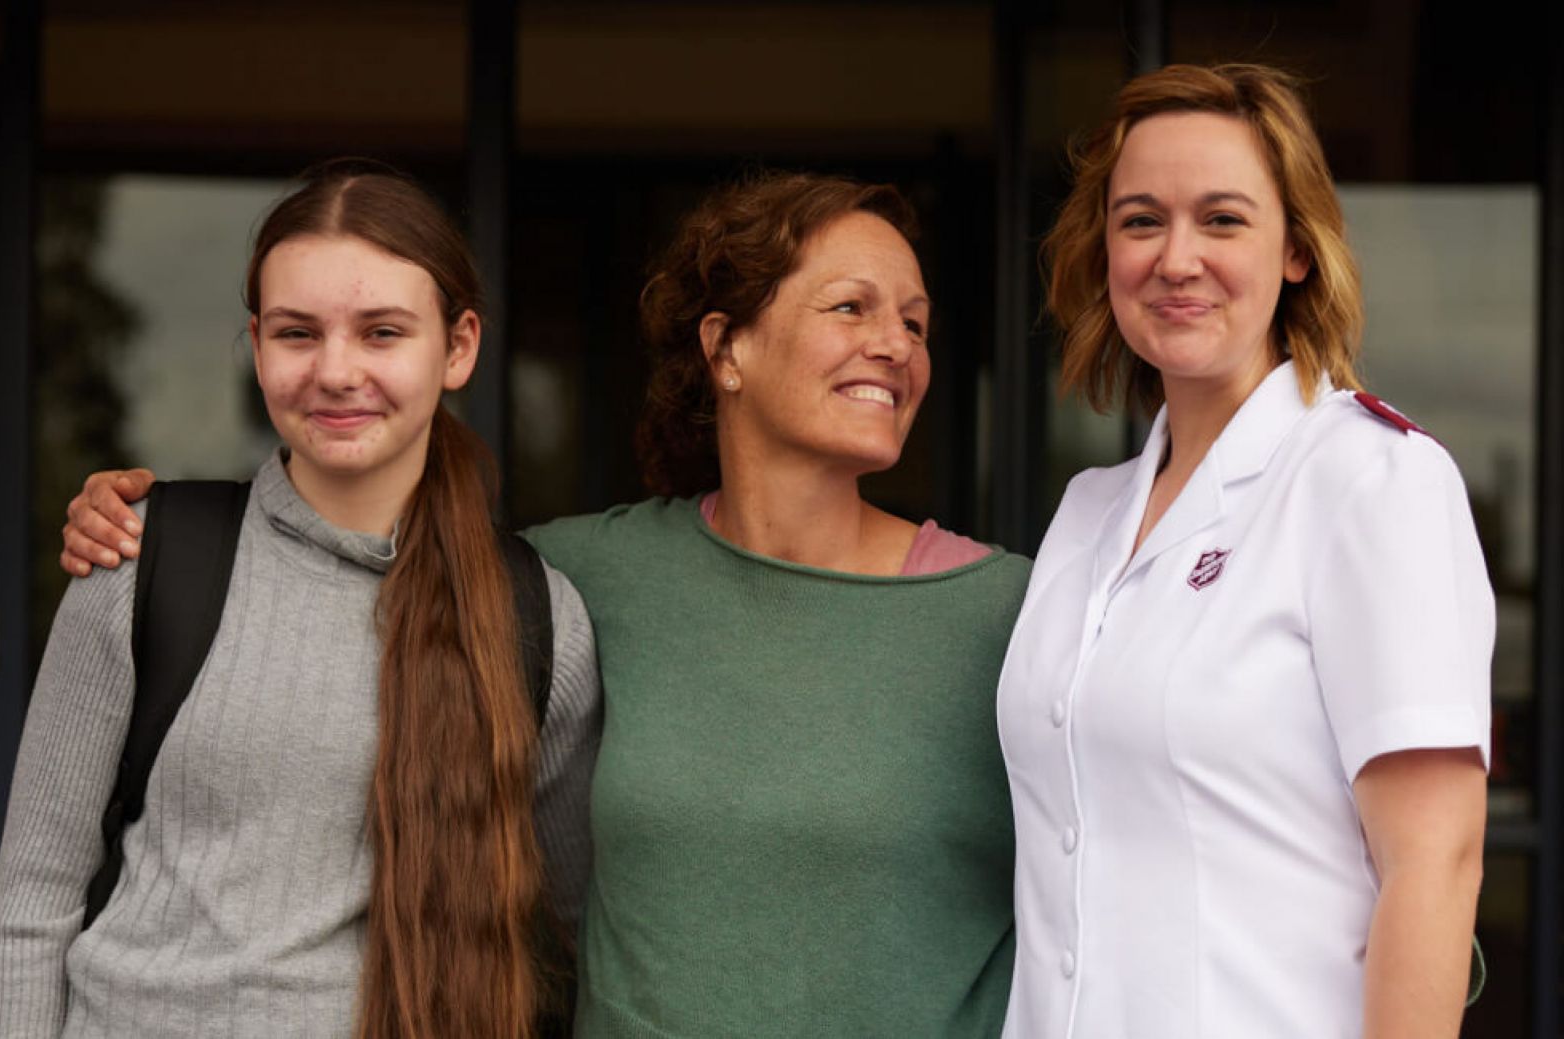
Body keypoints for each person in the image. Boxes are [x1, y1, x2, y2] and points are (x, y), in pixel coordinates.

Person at [57, 171, 1032, 1036]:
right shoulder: (570, 583)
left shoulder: (1015, 613)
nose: (894, 345)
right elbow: (339, 572)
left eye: (914, 321)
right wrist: (148, 526)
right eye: (851, 307)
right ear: (725, 348)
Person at [0, 163, 601, 1038]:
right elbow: (33, 902)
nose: (336, 371)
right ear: (257, 346)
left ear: (458, 347)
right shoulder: (141, 557)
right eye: (297, 333)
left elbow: (578, 933)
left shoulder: (537, 618)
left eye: (382, 332)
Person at [996, 63, 1490, 1038]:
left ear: (1297, 250)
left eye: (1221, 219)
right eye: (1140, 220)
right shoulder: (1086, 514)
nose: (1176, 258)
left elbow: (1436, 861)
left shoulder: (1370, 482)